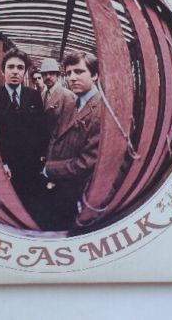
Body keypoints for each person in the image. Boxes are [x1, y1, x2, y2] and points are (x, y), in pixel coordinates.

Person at [42, 51, 102, 231]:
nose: (72, 78)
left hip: (79, 191)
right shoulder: (74, 103)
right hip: (62, 186)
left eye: (79, 71)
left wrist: (50, 169)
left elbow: (87, 163)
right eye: (68, 73)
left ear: (94, 75)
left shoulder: (100, 111)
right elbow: (56, 135)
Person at [0, 48, 48, 220]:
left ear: (25, 72)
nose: (15, 71)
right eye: (11, 67)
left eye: (20, 68)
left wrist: (42, 156)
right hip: (7, 165)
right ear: (3, 71)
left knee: (33, 204)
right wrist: (2, 162)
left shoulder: (33, 96)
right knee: (10, 207)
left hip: (31, 164)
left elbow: (41, 127)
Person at [40, 57, 76, 135]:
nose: (48, 76)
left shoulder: (67, 96)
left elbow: (69, 125)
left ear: (57, 75)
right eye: (45, 74)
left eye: (51, 73)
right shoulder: (43, 95)